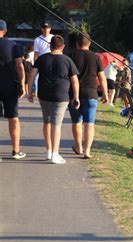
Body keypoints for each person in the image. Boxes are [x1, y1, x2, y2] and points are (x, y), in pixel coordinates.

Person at [27, 35, 80, 164]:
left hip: (44, 95)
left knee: (47, 121)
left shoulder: (42, 59)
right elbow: (74, 80)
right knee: (57, 124)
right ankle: (55, 154)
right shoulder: (67, 60)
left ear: (50, 45)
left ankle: (49, 151)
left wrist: (30, 91)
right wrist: (76, 97)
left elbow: (32, 74)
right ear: (63, 46)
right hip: (61, 95)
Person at [69, 33, 108, 159]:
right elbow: (102, 78)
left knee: (76, 122)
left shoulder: (71, 56)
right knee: (89, 123)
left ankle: (78, 146)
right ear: (90, 43)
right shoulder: (95, 57)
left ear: (76, 43)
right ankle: (87, 151)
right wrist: (105, 94)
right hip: (91, 93)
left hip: (74, 95)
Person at [0, 19, 26, 159]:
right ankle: (16, 151)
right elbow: (19, 66)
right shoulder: (13, 45)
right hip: (10, 85)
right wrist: (22, 83)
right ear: (4, 31)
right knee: (13, 118)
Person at [33, 22, 53, 97]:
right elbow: (36, 53)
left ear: (50, 29)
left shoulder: (53, 38)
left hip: (52, 60)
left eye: (47, 28)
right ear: (41, 29)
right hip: (42, 61)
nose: (46, 30)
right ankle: (37, 91)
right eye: (44, 28)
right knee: (39, 78)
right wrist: (35, 64)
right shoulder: (37, 40)